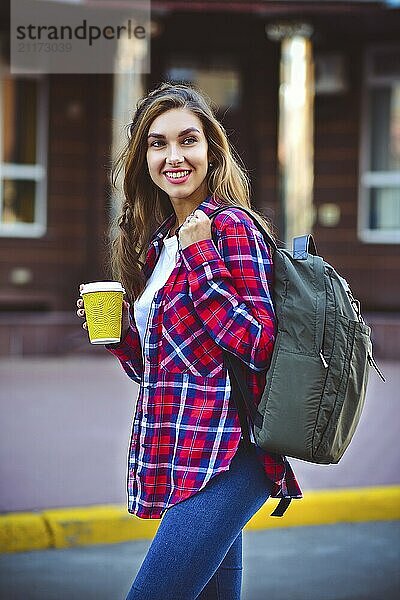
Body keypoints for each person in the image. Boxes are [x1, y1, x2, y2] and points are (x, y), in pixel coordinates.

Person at [76, 82, 302, 600]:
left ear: (210, 151)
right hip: (184, 450)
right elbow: (162, 369)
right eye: (158, 143)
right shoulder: (159, 243)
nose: (173, 156)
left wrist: (202, 260)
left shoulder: (231, 229)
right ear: (143, 157)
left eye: (188, 140)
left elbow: (260, 343)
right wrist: (117, 335)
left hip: (231, 452)